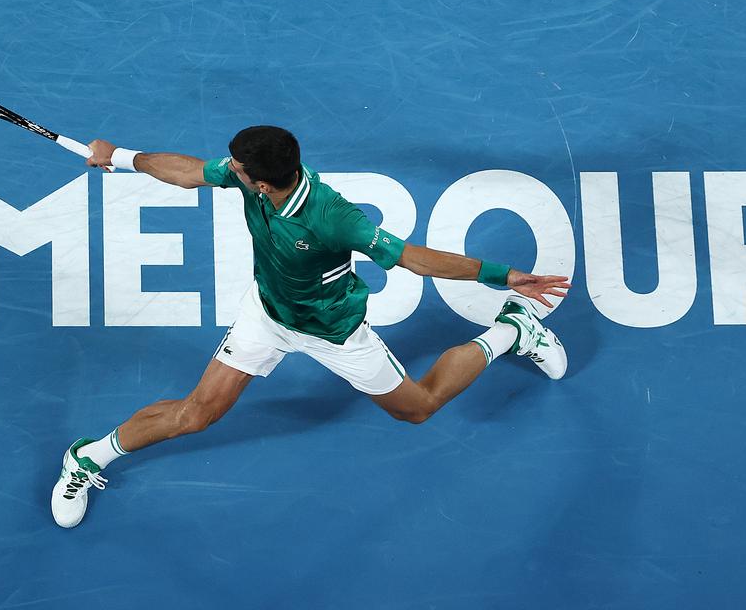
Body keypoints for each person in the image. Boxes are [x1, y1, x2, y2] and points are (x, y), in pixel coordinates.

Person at [52, 125, 569, 528]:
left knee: (419, 407)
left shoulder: (333, 218)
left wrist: (504, 277)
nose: (226, 168)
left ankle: (513, 330)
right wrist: (120, 157)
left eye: (236, 165)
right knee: (196, 414)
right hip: (268, 314)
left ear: (262, 180)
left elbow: (414, 258)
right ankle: (87, 457)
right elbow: (190, 172)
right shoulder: (252, 177)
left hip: (334, 331)